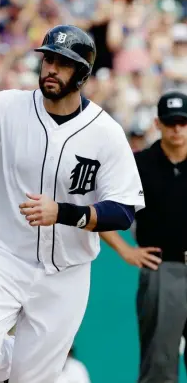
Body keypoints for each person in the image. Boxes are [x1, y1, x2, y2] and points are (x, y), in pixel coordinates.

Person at [0, 25, 145, 383]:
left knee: (31, 380)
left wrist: (63, 212)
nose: (51, 68)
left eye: (63, 63)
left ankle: (28, 369)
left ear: (82, 73)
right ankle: (20, 364)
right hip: (6, 257)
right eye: (48, 59)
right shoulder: (8, 106)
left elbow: (123, 211)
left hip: (67, 273)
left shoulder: (105, 132)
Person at [100, 90, 187, 383]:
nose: (177, 128)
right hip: (161, 268)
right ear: (158, 124)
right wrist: (125, 250)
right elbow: (102, 209)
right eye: (171, 122)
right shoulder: (139, 164)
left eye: (183, 122)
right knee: (159, 365)